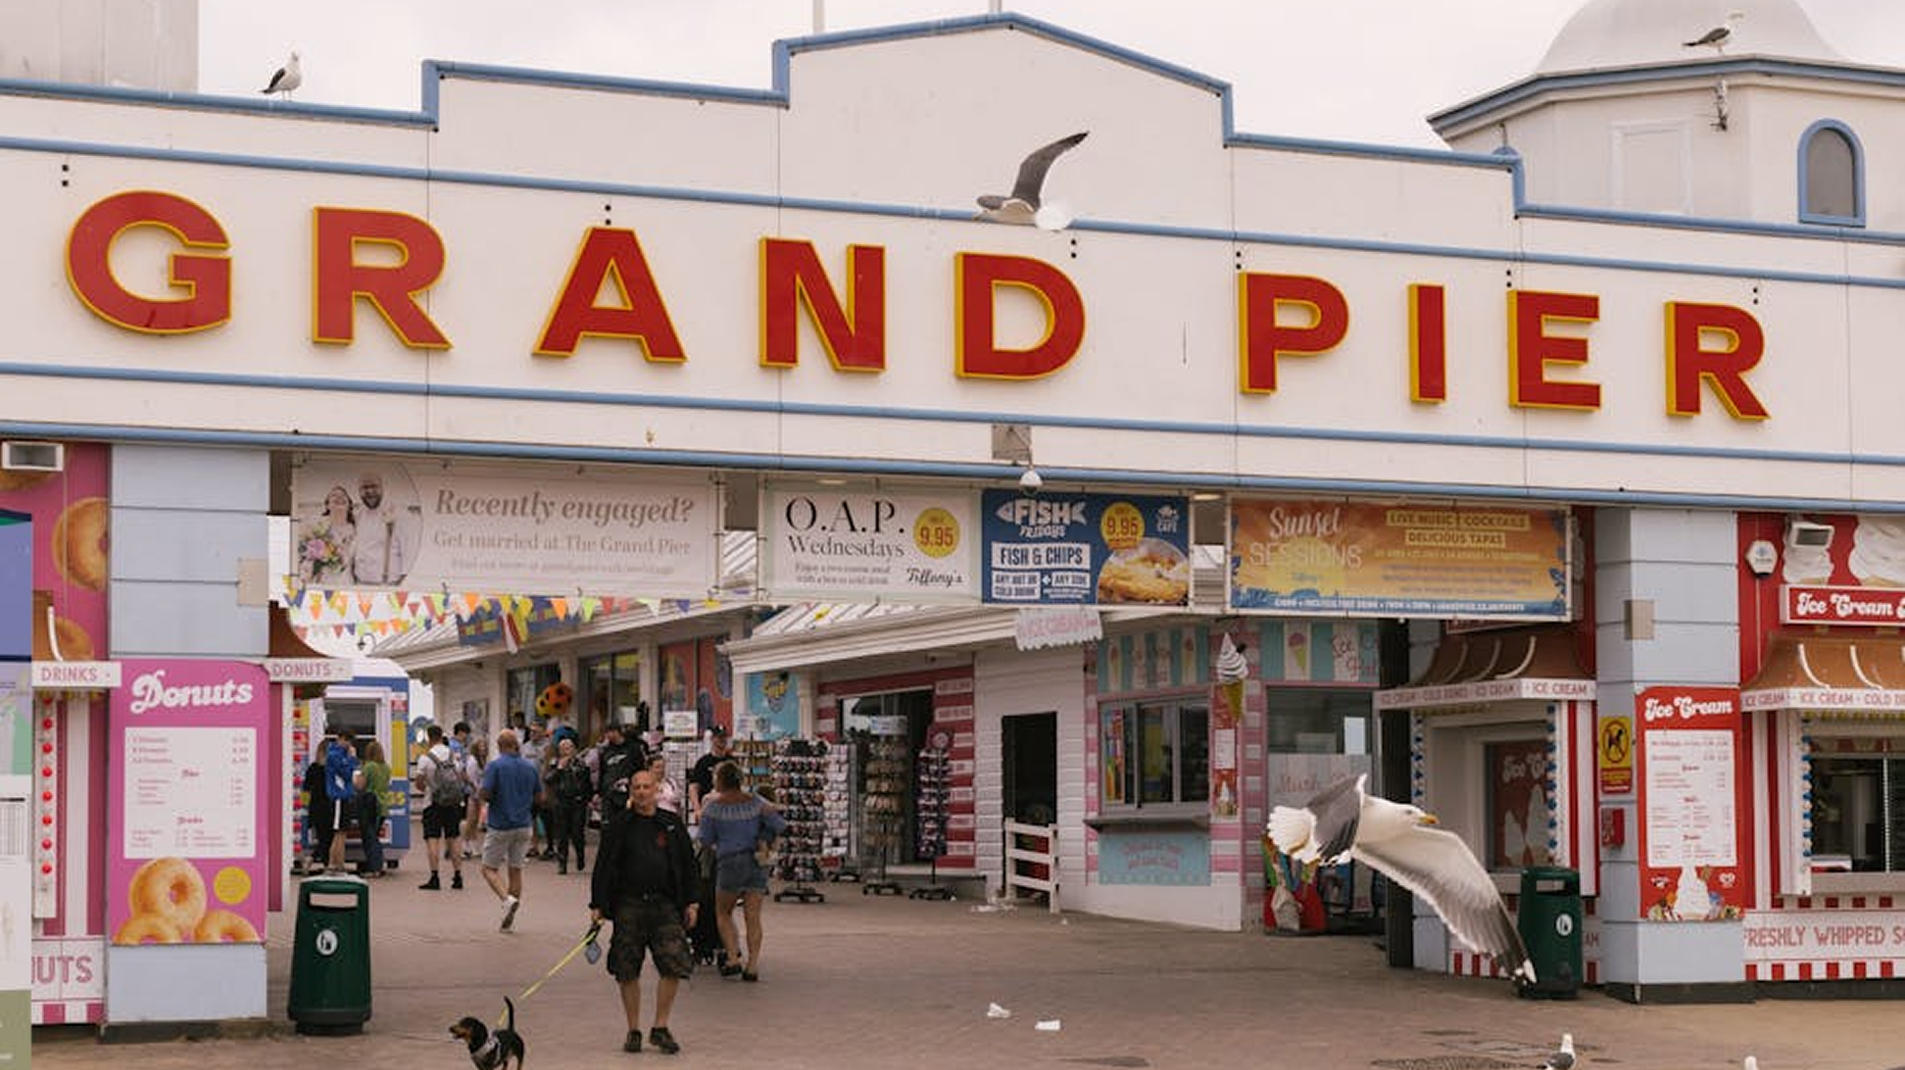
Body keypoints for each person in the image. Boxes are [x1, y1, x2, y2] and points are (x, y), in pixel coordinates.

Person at [590, 768, 699, 1055]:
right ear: (631, 792)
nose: (641, 792)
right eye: (636, 787)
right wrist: (597, 905)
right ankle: (634, 1029)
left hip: (665, 904)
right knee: (626, 968)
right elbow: (603, 866)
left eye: (646, 787)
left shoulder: (671, 824)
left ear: (656, 790)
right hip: (629, 904)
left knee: (674, 962)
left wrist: (692, 902)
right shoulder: (618, 826)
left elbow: (689, 865)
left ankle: (660, 1027)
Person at [695, 760, 785, 982]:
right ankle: (752, 965)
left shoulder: (713, 807)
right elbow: (779, 824)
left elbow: (705, 839)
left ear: (719, 780)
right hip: (756, 863)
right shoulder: (756, 802)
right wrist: (762, 837)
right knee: (753, 916)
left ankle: (734, 957)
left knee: (723, 912)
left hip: (729, 863)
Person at [480, 729, 544, 931]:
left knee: (488, 869)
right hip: (524, 825)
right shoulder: (530, 767)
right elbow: (540, 797)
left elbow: (486, 793)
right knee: (515, 871)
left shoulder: (495, 766)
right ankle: (511, 913)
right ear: (516, 744)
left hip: (500, 824)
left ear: (499, 746)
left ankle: (506, 900)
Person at [415, 725, 466, 890]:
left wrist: (428, 789)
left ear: (429, 738)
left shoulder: (425, 758)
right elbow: (460, 776)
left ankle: (435, 877)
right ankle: (458, 876)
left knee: (433, 839)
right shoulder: (453, 755)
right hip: (452, 803)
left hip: (432, 804)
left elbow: (419, 783)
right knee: (454, 838)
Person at [547, 736, 594, 875]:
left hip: (578, 802)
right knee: (562, 834)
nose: (567, 751)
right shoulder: (555, 763)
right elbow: (548, 780)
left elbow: (587, 783)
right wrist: (560, 769)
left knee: (577, 832)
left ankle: (580, 855)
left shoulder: (582, 764)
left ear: (574, 750)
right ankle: (562, 862)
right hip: (561, 801)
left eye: (569, 748)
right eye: (563, 748)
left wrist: (587, 798)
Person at [298, 485, 355, 585]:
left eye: (343, 495)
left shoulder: (355, 528)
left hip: (346, 580)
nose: (339, 497)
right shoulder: (317, 526)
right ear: (327, 505)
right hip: (322, 580)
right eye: (334, 495)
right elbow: (304, 553)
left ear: (349, 504)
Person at [595, 722, 647, 826]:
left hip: (627, 793)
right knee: (608, 826)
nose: (608, 736)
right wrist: (599, 792)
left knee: (626, 823)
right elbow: (602, 771)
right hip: (609, 794)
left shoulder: (633, 748)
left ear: (617, 732)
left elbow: (640, 769)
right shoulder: (606, 751)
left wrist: (634, 783)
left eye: (610, 732)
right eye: (607, 733)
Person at [322, 731, 360, 874]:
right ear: (340, 739)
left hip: (345, 796)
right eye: (347, 741)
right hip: (339, 797)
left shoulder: (342, 755)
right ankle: (333, 863)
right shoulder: (334, 755)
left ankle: (339, 863)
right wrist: (352, 758)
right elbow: (346, 774)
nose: (348, 745)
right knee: (338, 832)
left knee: (343, 832)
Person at [354, 738, 391, 878]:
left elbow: (360, 785)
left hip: (369, 805)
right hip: (382, 806)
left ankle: (374, 867)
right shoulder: (386, 767)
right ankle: (377, 866)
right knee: (374, 837)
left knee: (369, 838)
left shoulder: (369, 766)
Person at [686, 726, 734, 821]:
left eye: (724, 737)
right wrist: (697, 809)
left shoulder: (732, 762)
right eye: (719, 737)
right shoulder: (703, 762)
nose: (722, 740)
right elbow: (693, 787)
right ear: (712, 739)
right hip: (707, 810)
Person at [301, 754, 332, 876]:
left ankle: (323, 863)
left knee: (322, 836)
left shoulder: (313, 767)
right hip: (329, 805)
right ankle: (318, 860)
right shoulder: (331, 768)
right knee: (328, 838)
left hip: (315, 806)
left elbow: (306, 786)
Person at [463, 734, 490, 860]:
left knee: (475, 820)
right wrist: (477, 791)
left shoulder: (483, 761)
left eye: (484, 746)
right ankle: (465, 844)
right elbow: (470, 777)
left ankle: (473, 845)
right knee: (471, 819)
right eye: (480, 746)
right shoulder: (472, 761)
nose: (483, 748)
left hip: (480, 792)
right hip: (473, 793)